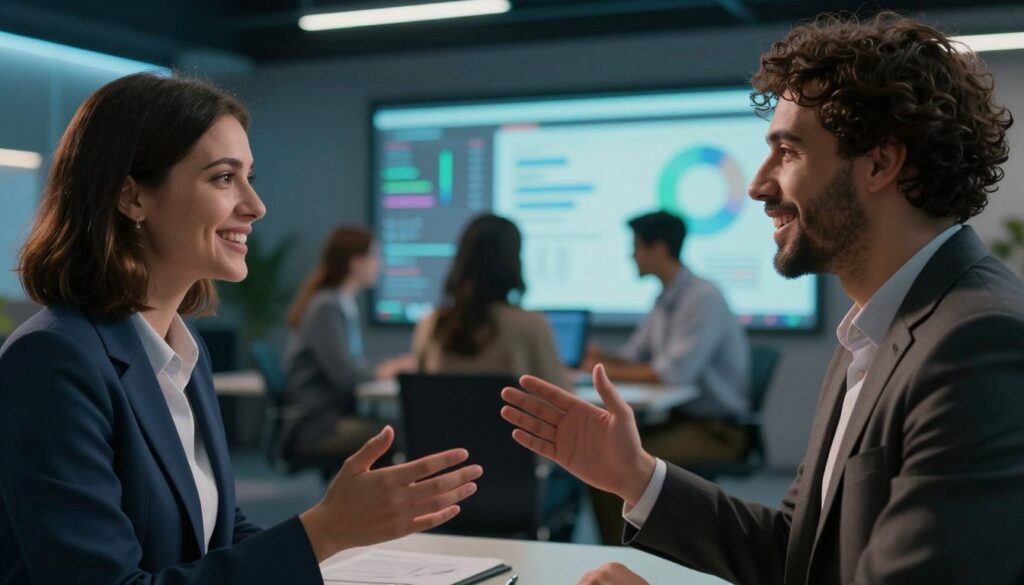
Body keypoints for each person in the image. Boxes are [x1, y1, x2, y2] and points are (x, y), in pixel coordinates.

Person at [501, 12, 1024, 585]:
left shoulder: (978, 344)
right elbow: (796, 554)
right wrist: (636, 475)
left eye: (789, 151)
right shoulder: (876, 330)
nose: (757, 184)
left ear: (880, 162)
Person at [0, 73, 481, 584]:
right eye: (224, 178)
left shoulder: (184, 352)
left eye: (250, 177)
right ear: (132, 197)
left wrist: (334, 537)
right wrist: (322, 531)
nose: (255, 206)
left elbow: (217, 534)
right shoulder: (54, 360)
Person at [582, 210, 750, 544]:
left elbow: (673, 373)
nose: (631, 255)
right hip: (681, 422)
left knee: (612, 462)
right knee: (605, 457)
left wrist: (599, 370)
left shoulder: (702, 298)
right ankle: (624, 551)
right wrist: (601, 356)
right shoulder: (666, 297)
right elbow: (634, 356)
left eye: (637, 247)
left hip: (718, 432)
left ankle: (630, 555)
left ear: (658, 249)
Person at [283, 226, 413, 460]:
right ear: (355, 263)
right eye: (374, 256)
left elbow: (351, 364)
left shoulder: (340, 303)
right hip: (319, 426)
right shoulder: (327, 307)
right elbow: (345, 376)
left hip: (330, 416)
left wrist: (389, 365)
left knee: (399, 430)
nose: (379, 264)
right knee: (405, 432)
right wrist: (388, 370)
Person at [411, 214, 567, 387]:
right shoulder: (531, 326)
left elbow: (421, 391)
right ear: (514, 262)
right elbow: (562, 397)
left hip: (443, 416)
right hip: (506, 415)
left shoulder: (432, 324)